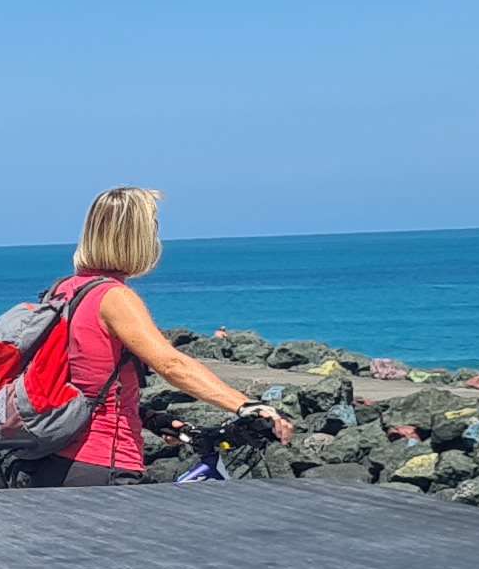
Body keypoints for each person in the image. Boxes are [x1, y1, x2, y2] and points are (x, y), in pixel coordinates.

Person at [24, 187, 294, 486]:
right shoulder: (114, 297)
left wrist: (150, 418)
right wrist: (247, 406)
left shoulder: (64, 290)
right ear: (137, 237)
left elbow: (84, 383)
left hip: (57, 462)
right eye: (152, 227)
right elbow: (171, 364)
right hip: (105, 464)